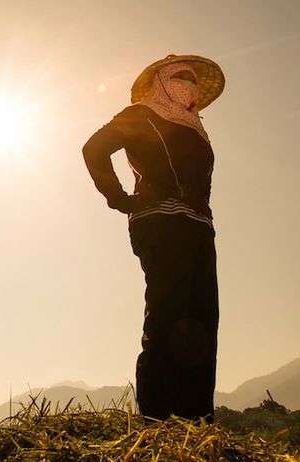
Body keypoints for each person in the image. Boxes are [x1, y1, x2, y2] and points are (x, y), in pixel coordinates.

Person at [82, 54, 225, 422]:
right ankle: (158, 424)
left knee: (202, 325)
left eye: (193, 79)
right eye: (180, 76)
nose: (189, 83)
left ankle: (197, 427)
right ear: (160, 81)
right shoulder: (141, 115)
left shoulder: (196, 128)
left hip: (199, 228)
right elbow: (94, 148)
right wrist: (118, 198)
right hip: (161, 223)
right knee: (166, 319)